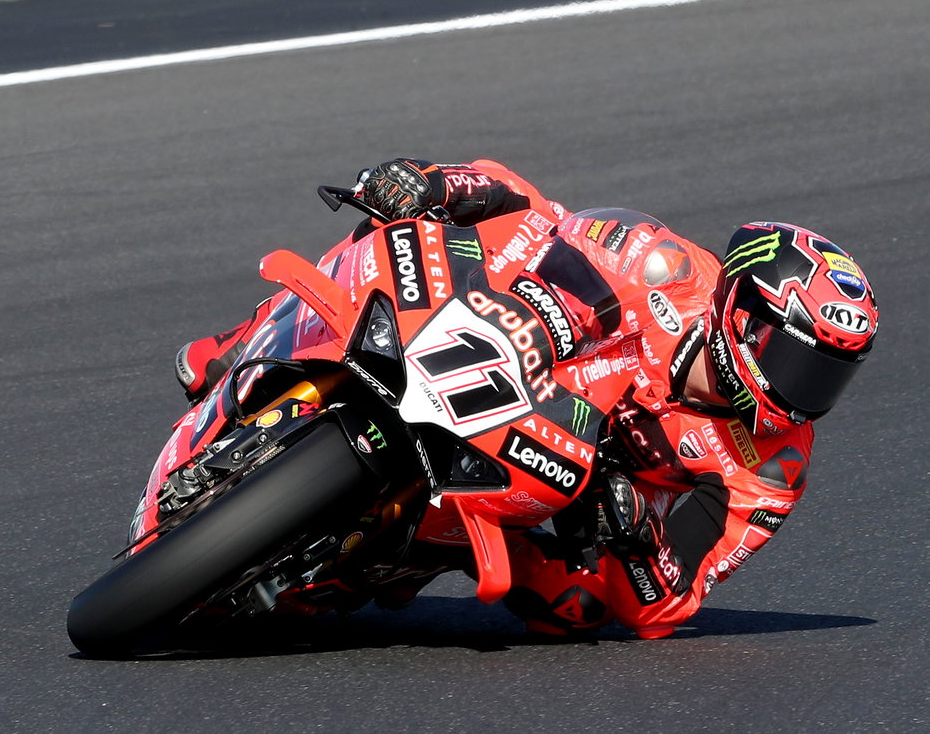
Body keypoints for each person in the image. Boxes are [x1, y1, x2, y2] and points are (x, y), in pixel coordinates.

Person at [176, 158, 880, 640]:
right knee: (389, 231)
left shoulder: (769, 472)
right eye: (795, 358)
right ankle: (244, 338)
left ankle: (380, 551)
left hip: (565, 495)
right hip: (513, 354)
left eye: (826, 374)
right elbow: (534, 212)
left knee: (576, 609)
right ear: (742, 315)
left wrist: (635, 536)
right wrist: (433, 183)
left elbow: (665, 598)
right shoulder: (658, 261)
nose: (803, 391)